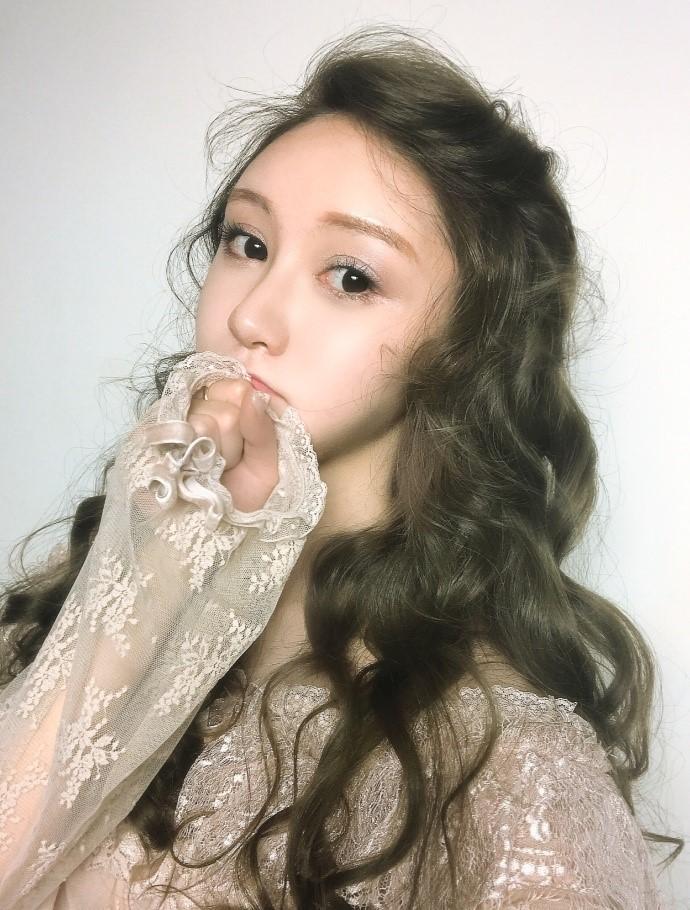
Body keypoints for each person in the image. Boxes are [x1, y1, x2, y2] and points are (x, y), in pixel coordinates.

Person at [0, 23, 682, 910]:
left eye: (351, 277)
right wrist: (152, 580)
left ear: (466, 347)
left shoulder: (508, 774)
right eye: (248, 242)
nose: (252, 316)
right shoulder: (51, 622)